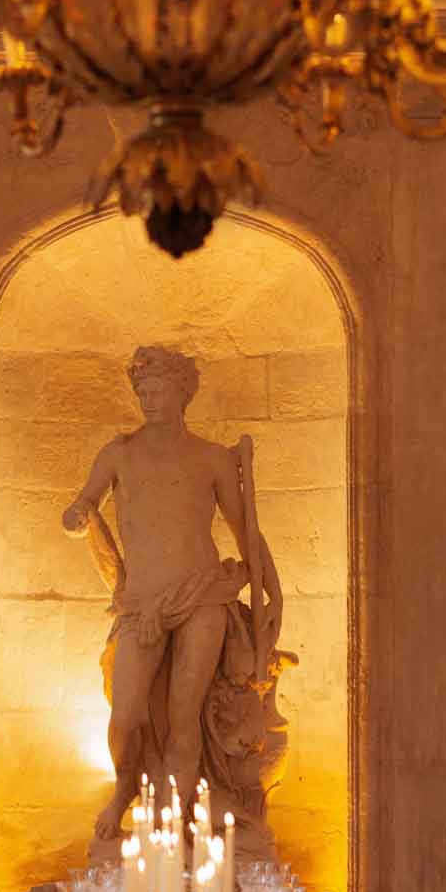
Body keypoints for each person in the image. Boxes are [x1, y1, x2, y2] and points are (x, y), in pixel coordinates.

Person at [62, 343, 283, 841]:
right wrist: (75, 517)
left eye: (158, 390)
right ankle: (124, 788)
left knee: (185, 712)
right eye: (142, 392)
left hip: (202, 594)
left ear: (183, 394)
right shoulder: (118, 454)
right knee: (125, 713)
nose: (149, 400)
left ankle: (172, 820)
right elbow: (84, 503)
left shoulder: (212, 459)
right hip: (142, 602)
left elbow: (245, 532)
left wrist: (273, 591)